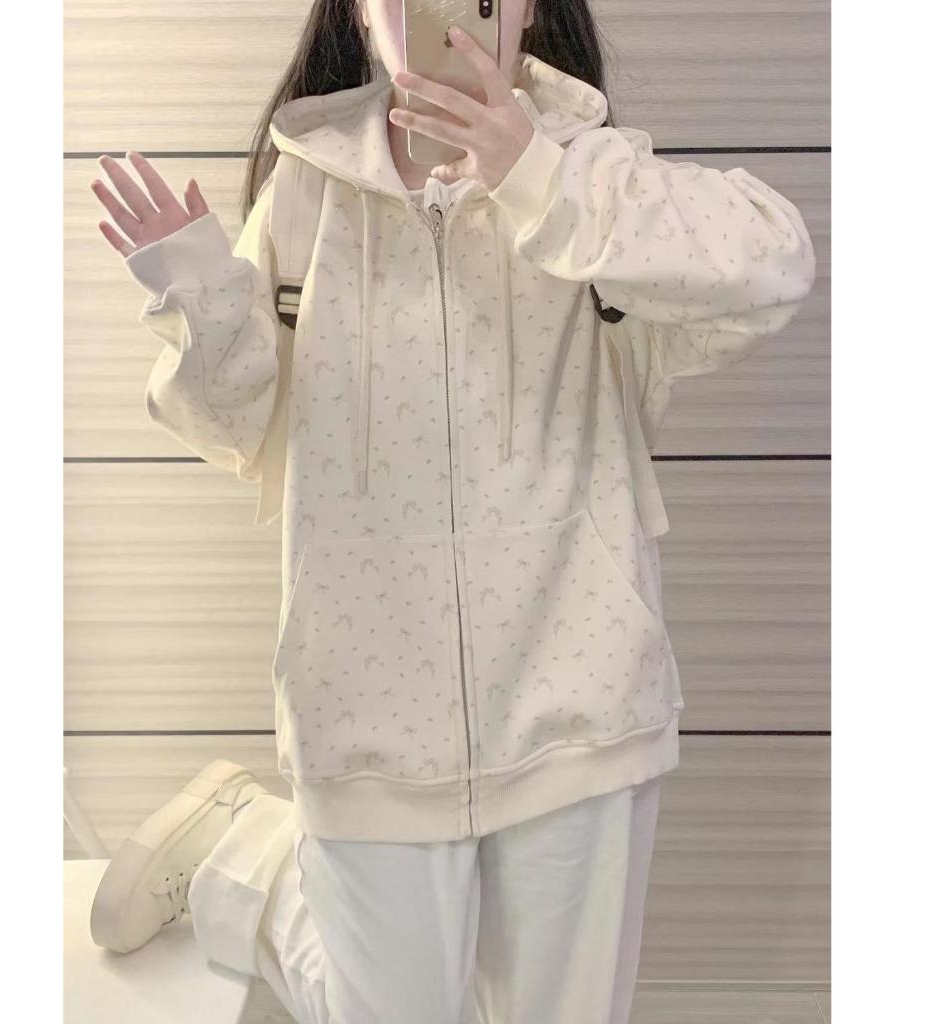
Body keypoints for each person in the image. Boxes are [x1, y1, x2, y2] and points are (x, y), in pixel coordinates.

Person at [85, 2, 816, 1021]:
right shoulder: (306, 189)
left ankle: (251, 846)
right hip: (365, 708)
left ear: (527, 8)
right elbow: (232, 425)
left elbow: (772, 268)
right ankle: (249, 851)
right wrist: (201, 292)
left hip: (577, 700)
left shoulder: (589, 170)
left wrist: (536, 175)